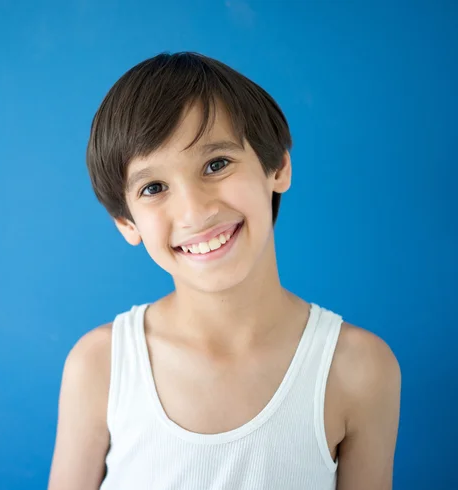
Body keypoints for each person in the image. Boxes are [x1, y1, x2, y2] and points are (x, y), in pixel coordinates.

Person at [47, 52, 401, 490]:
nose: (195, 212)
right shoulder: (101, 365)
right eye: (154, 188)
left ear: (278, 167)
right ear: (126, 222)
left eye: (216, 164)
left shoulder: (359, 369)